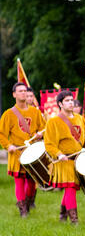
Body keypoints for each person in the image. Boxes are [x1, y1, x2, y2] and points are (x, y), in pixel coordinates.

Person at [44, 90, 85, 224]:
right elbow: (49, 144)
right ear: (60, 104)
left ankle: (63, 214)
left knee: (71, 188)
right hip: (65, 160)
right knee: (71, 187)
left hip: (79, 159)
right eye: (67, 100)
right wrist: (59, 154)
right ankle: (74, 221)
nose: (70, 102)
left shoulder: (80, 118)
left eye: (71, 100)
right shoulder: (54, 122)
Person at [0, 82, 46, 217]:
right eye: (20, 91)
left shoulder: (35, 112)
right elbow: (2, 134)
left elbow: (43, 128)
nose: (23, 93)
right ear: (14, 94)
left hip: (32, 153)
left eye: (25, 91)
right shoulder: (9, 114)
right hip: (17, 153)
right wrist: (9, 146)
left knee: (32, 183)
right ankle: (22, 209)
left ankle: (28, 201)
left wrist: (40, 134)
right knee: (19, 181)